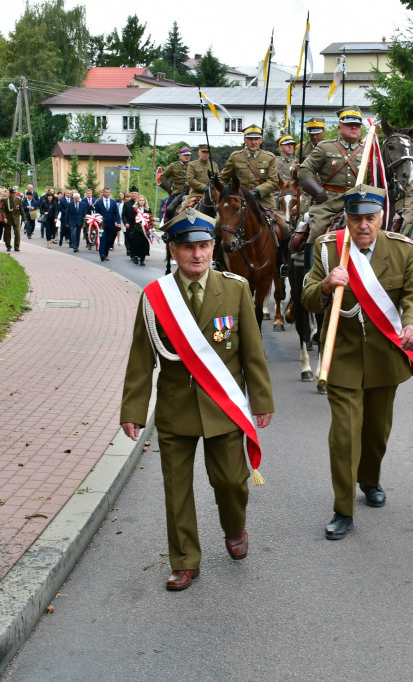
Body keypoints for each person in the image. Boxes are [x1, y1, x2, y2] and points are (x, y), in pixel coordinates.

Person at [120, 208, 274, 591]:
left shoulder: (236, 288)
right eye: (189, 247)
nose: (198, 255)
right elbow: (141, 359)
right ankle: (185, 560)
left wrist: (261, 400)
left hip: (223, 407)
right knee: (177, 489)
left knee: (232, 483)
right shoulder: (156, 298)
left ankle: (234, 527)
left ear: (213, 247)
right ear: (173, 250)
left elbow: (252, 352)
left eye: (204, 246)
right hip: (176, 407)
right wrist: (133, 410)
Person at [301, 185, 413, 540]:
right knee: (344, 436)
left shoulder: (402, 249)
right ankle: (343, 508)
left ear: (381, 218)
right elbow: (308, 298)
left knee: (376, 433)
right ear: (347, 218)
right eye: (356, 219)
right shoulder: (328, 249)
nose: (362, 226)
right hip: (341, 356)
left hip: (384, 358)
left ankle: (369, 478)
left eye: (370, 219)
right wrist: (326, 285)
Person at [298, 108, 368, 256]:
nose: (354, 127)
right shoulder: (326, 147)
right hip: (328, 204)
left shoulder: (368, 151)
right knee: (316, 232)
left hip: (359, 202)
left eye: (357, 124)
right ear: (339, 127)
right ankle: (310, 275)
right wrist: (318, 192)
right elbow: (304, 170)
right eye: (349, 124)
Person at [219, 125, 279, 205]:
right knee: (221, 216)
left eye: (256, 139)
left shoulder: (269, 157)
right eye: (250, 139)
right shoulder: (235, 157)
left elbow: (273, 181)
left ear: (261, 140)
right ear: (245, 140)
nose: (253, 142)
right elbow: (222, 179)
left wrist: (257, 191)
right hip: (239, 199)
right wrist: (225, 193)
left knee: (279, 217)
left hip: (263, 199)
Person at [160, 147, 192, 214]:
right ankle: (166, 222)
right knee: (168, 209)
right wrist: (169, 190)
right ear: (180, 156)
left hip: (191, 192)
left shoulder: (193, 165)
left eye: (188, 155)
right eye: (185, 155)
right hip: (177, 192)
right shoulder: (173, 166)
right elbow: (163, 177)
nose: (187, 157)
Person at [95, 187, 121, 262]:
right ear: (103, 193)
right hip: (101, 224)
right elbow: (96, 212)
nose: (107, 194)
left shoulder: (113, 202)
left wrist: (118, 222)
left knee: (108, 240)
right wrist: (97, 220)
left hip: (111, 224)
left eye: (109, 192)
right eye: (106, 192)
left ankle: (106, 254)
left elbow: (116, 213)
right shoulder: (99, 202)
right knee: (102, 239)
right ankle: (102, 254)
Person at [1, 187, 23, 252]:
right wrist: (4, 217)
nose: (14, 194)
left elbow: (21, 209)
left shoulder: (18, 200)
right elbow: (2, 210)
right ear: (10, 193)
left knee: (17, 232)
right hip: (8, 218)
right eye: (13, 193)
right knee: (7, 233)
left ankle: (17, 246)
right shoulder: (5, 200)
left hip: (16, 218)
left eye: (15, 193)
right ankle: (8, 246)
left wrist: (24, 219)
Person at [122, 186, 138, 258]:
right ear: (130, 194)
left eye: (135, 193)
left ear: (137, 194)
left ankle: (137, 253)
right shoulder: (126, 203)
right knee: (129, 239)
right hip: (129, 224)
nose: (134, 194)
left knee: (137, 239)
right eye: (132, 193)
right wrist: (125, 223)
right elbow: (123, 215)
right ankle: (131, 253)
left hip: (138, 224)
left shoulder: (140, 202)